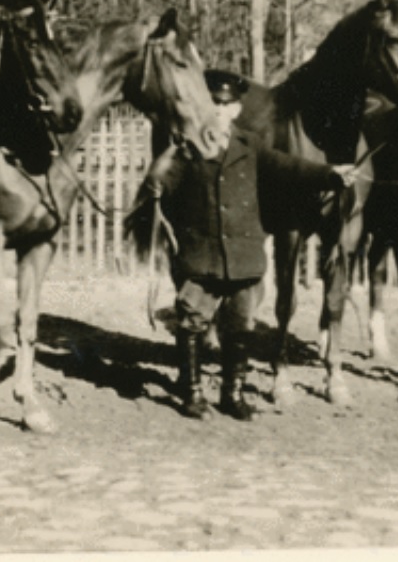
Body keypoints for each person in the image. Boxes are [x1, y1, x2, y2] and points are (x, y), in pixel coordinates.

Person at [131, 70, 357, 421]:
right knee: (192, 321)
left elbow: (288, 166)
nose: (219, 112)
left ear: (237, 110)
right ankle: (191, 392)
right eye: (213, 104)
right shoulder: (188, 146)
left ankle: (231, 393)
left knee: (239, 326)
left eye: (227, 106)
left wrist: (330, 173)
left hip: (242, 253)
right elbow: (159, 183)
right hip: (203, 251)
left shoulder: (250, 145)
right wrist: (167, 160)